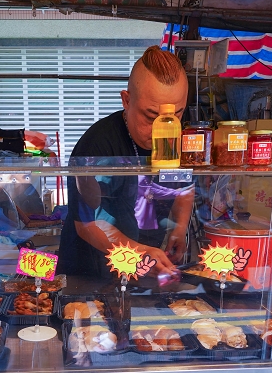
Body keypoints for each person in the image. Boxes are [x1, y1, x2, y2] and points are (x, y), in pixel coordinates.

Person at [58, 46, 192, 278]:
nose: (163, 127)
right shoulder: (96, 146)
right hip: (92, 271)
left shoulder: (176, 135)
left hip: (144, 267)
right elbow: (87, 225)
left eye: (176, 115)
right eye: (151, 117)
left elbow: (183, 185)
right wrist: (139, 256)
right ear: (126, 100)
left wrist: (180, 228)